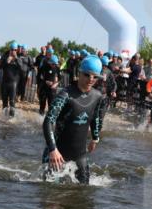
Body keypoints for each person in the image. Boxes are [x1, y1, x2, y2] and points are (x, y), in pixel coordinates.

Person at [42, 55, 106, 184]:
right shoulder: (65, 95)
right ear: (80, 73)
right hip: (57, 153)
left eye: (95, 76)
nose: (91, 79)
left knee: (84, 193)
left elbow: (96, 118)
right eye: (87, 75)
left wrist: (95, 138)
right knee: (50, 195)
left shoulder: (97, 96)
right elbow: (48, 121)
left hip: (80, 154)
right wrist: (53, 149)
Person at [0, 42, 22, 116]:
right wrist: (6, 62)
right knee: (4, 102)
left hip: (13, 83)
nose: (13, 51)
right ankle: (4, 117)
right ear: (10, 50)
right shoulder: (5, 57)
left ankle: (12, 118)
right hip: (4, 83)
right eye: (12, 50)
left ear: (17, 50)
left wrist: (16, 59)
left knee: (12, 102)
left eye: (15, 50)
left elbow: (22, 69)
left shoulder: (18, 59)